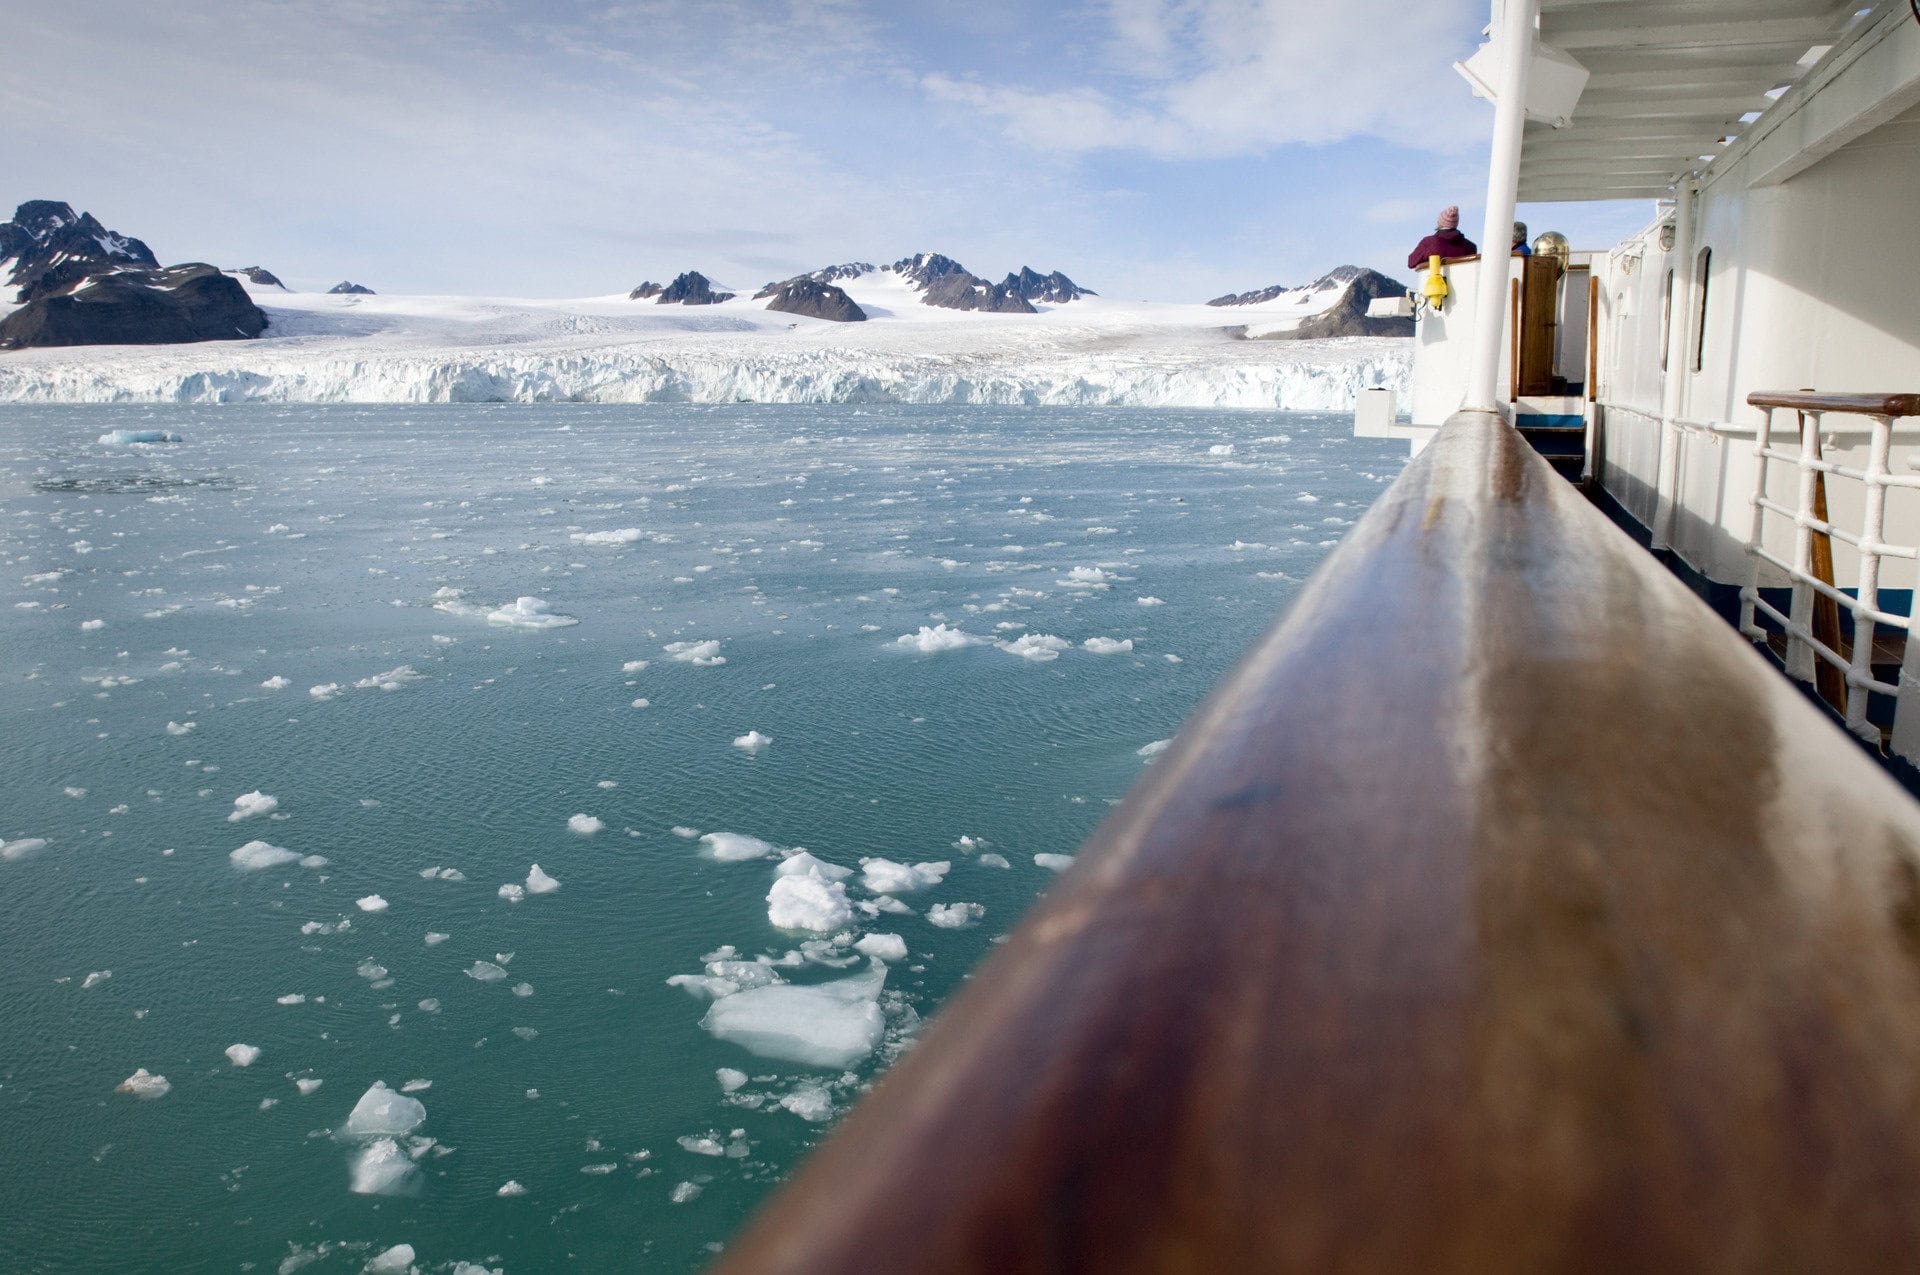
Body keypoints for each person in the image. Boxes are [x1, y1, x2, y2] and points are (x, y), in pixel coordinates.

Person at [1406, 206, 1476, 270]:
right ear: (1456, 223)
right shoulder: (1470, 246)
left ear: (1440, 222)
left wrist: (1427, 254)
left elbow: (1411, 262)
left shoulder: (1429, 242)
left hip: (1434, 281)